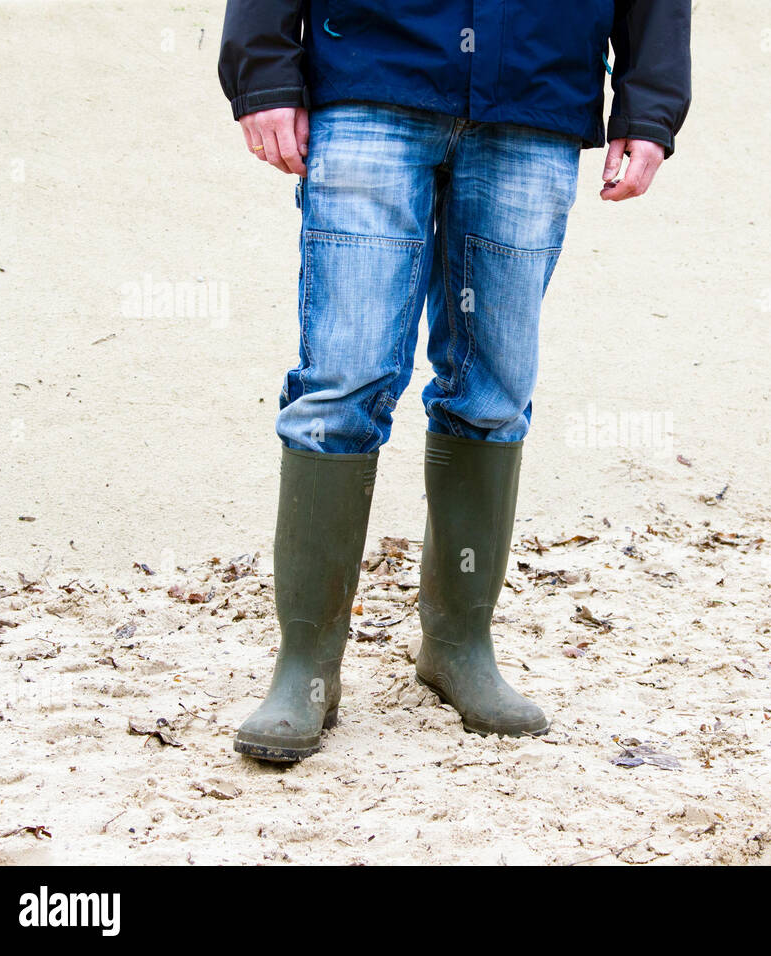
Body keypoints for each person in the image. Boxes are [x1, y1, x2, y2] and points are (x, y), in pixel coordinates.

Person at [217, 1, 692, 761]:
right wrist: (264, 68)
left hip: (537, 90)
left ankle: (458, 645)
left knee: (493, 390)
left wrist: (651, 99)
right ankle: (306, 668)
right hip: (371, 74)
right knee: (343, 380)